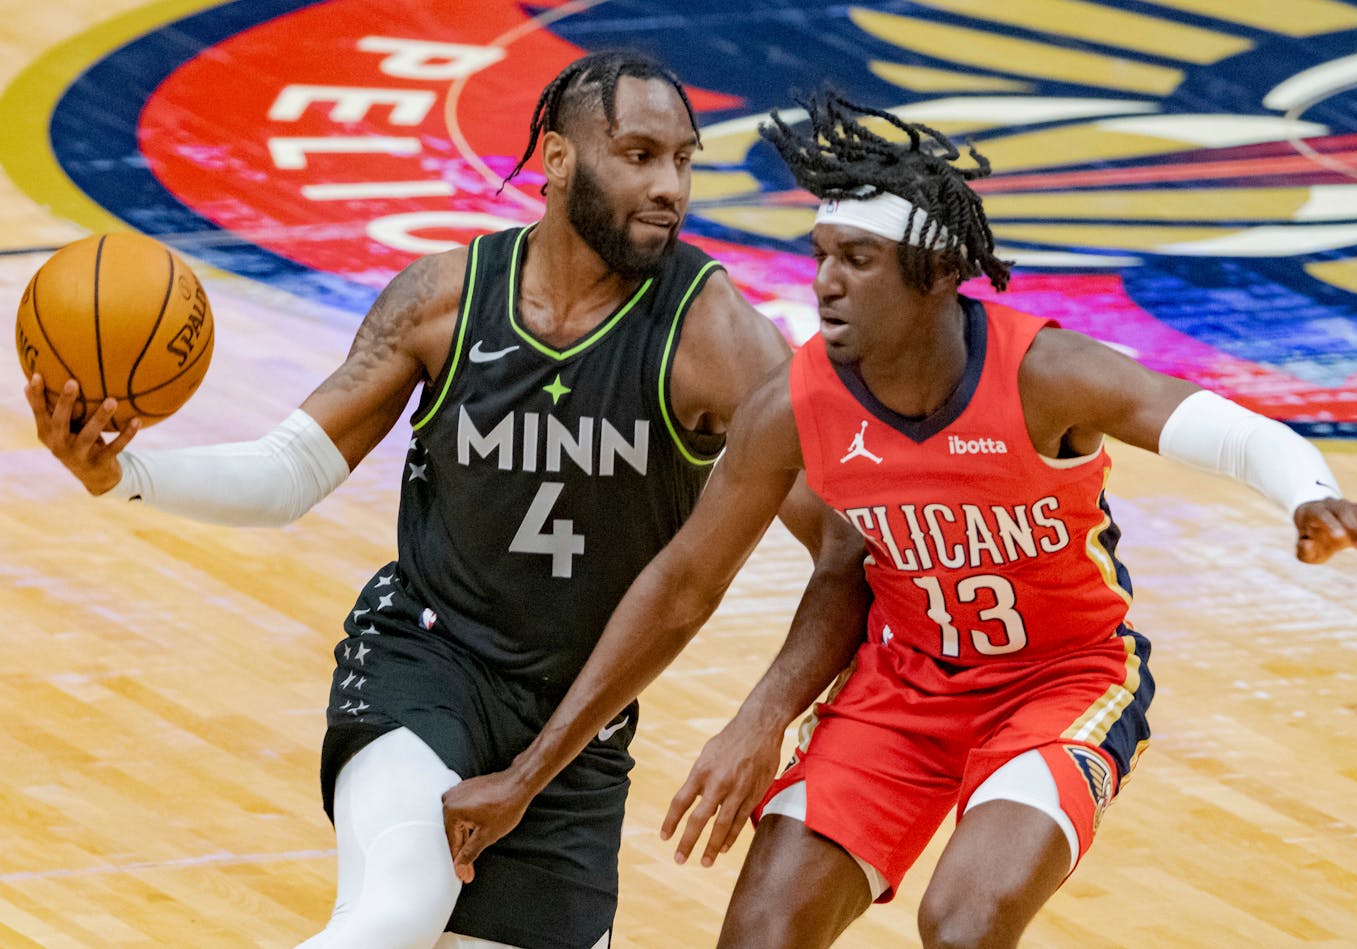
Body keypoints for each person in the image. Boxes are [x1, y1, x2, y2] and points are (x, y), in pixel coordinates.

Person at [439, 90, 1357, 948]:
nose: (826, 283)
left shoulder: (1042, 373)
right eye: (820, 257)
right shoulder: (794, 404)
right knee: (761, 934)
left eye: (858, 260)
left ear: (935, 275)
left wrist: (1305, 492)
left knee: (964, 919)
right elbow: (686, 582)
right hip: (901, 692)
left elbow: (1209, 424)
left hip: (1059, 685)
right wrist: (538, 770)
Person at [24, 54, 868, 949]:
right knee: (398, 909)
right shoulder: (445, 298)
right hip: (427, 661)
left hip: (577, 721)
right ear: (558, 158)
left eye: (684, 160)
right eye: (638, 154)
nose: (669, 187)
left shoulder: (721, 338)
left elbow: (843, 549)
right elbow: (287, 473)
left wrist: (763, 715)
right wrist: (125, 474)